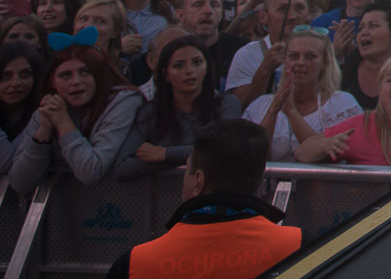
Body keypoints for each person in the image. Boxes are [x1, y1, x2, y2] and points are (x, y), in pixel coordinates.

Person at [107, 119, 302, 279]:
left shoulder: (135, 265)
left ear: (198, 181)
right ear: (259, 181)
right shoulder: (298, 248)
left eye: (187, 170)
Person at [7, 43, 145, 191]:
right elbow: (20, 184)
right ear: (53, 81)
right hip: (64, 205)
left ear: (98, 75)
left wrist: (63, 123)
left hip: (119, 200)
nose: (76, 81)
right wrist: (43, 131)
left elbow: (90, 172)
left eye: (85, 72)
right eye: (66, 75)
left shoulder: (124, 101)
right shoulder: (50, 109)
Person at [119, 34, 242, 177]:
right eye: (179, 65)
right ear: (165, 74)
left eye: (197, 62)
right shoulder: (150, 112)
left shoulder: (226, 104)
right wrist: (196, 158)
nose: (189, 70)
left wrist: (164, 153)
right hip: (162, 192)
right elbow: (124, 167)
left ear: (207, 67)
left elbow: (228, 149)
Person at [243, 30, 362, 161]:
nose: (300, 62)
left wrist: (292, 113)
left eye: (310, 56)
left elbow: (328, 157)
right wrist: (274, 109)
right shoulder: (260, 105)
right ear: (285, 61)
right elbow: (252, 157)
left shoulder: (342, 103)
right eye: (293, 56)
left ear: (325, 62)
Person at [0, 41, 46, 177]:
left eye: (25, 74)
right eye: (5, 76)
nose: (16, 83)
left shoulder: (45, 112)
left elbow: (9, 164)